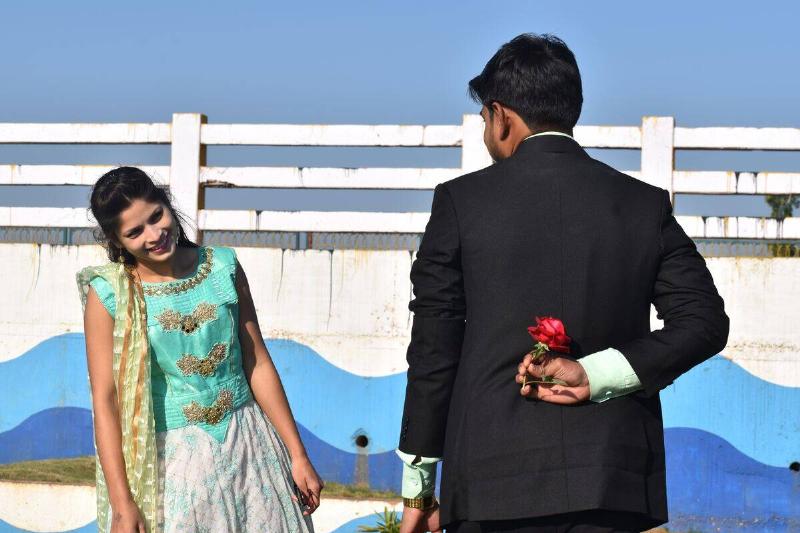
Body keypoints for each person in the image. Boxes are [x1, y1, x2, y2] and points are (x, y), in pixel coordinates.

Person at [397, 34, 729, 533]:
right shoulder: (643, 205)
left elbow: (433, 351)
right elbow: (704, 323)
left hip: (491, 490)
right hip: (611, 485)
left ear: (500, 114)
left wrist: (420, 486)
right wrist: (597, 374)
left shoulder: (461, 204)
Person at [77, 167, 322, 532]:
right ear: (116, 240)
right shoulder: (110, 295)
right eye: (134, 232)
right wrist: (122, 503)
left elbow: (257, 363)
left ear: (167, 204)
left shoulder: (223, 267)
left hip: (252, 451)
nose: (155, 234)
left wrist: (298, 455)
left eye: (156, 216)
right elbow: (106, 400)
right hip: (173, 470)